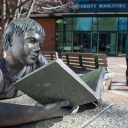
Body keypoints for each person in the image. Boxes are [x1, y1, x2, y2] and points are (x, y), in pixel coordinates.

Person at [0, 18, 78, 127]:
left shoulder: (38, 63)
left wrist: (85, 97)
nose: (38, 49)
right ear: (9, 40)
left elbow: (59, 84)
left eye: (40, 45)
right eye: (32, 41)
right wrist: (42, 113)